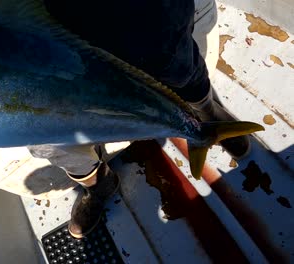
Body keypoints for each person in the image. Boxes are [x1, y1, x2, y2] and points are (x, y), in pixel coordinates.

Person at [27, 0, 251, 238]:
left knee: (175, 62)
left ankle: (207, 115)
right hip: (52, 26)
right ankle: (101, 186)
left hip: (146, 16)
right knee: (46, 135)